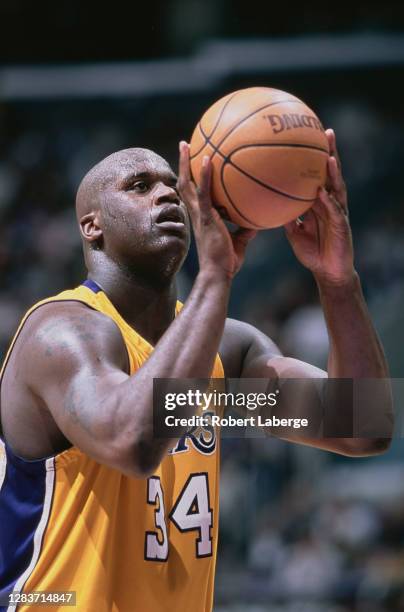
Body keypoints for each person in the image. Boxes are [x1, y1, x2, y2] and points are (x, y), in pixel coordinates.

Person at [0, 130, 392, 612]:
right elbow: (131, 441)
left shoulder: (227, 350)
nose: (167, 193)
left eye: (172, 184)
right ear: (92, 226)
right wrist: (215, 277)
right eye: (140, 186)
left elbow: (361, 427)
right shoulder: (62, 331)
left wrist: (337, 280)